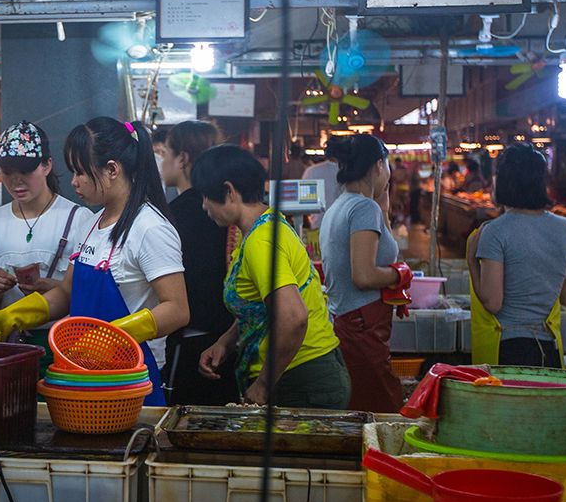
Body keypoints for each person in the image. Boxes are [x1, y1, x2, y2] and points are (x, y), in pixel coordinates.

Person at [0, 118, 190, 405]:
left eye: (80, 172)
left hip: (130, 374)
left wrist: (110, 339)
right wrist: (15, 314)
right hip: (83, 370)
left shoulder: (150, 228)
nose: (74, 181)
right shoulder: (91, 224)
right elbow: (67, 292)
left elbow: (177, 309)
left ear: (112, 169)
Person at [189, 145, 349, 408]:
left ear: (229, 191)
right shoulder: (258, 228)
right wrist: (225, 343)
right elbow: (261, 308)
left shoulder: (261, 241)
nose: (204, 206)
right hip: (300, 373)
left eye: (207, 196)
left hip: (302, 379)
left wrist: (263, 384)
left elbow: (293, 317)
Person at [0, 122, 96, 368]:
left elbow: (89, 294)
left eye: (26, 170)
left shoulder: (78, 218)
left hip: (63, 342)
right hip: (8, 345)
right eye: (7, 171)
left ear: (47, 165)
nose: (16, 181)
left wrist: (57, 289)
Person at [466, 145, 566, 367]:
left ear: (503, 181)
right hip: (550, 350)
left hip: (509, 351)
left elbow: (493, 302)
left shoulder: (495, 231)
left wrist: (472, 261)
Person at [318, 135, 407, 413]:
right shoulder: (363, 208)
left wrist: (384, 209)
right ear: (379, 165)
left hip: (347, 320)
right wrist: (400, 276)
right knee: (380, 408)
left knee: (359, 405)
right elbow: (364, 276)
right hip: (362, 323)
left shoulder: (340, 206)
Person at [158, 120, 237, 406]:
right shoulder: (224, 209)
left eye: (166, 152)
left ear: (183, 158)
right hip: (226, 339)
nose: (162, 161)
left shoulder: (176, 215)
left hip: (193, 345)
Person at [302, 152, 340, 225]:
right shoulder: (354, 172)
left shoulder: (312, 171)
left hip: (319, 226)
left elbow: (305, 207)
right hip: (348, 228)